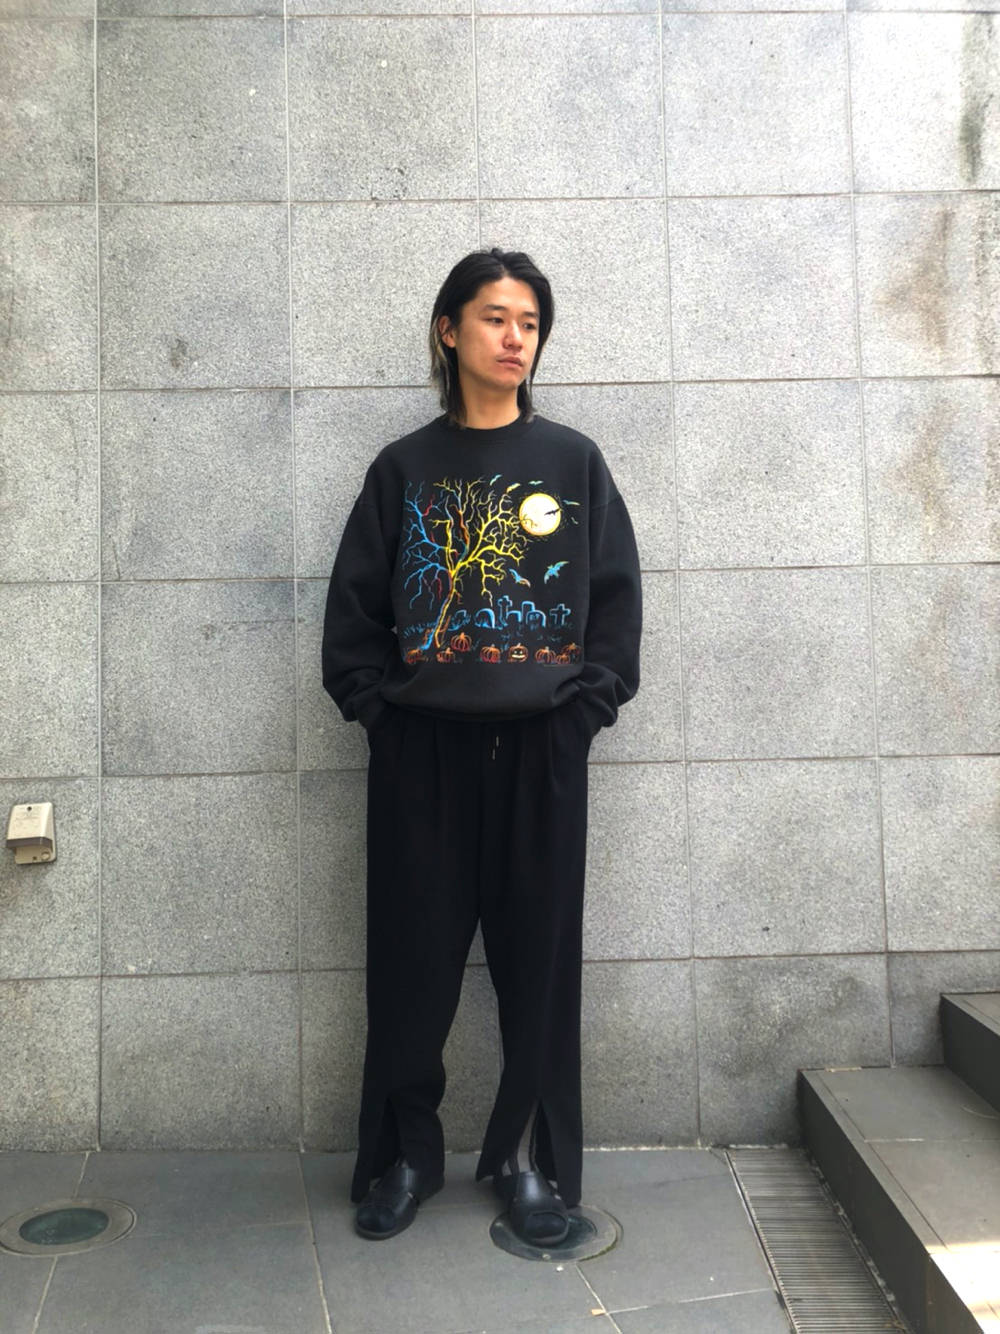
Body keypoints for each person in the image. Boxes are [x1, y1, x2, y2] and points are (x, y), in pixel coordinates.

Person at [321, 247, 642, 1246]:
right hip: (421, 758)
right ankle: (406, 1155)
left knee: (538, 970)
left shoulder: (573, 464)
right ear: (448, 330)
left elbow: (615, 608)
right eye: (496, 317)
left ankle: (525, 1159)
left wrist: (578, 715)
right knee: (409, 967)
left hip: (540, 756)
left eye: (530, 323)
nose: (514, 338)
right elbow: (352, 621)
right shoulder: (403, 470)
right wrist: (386, 716)